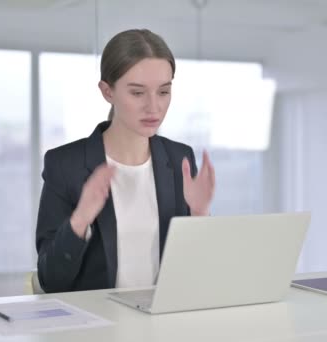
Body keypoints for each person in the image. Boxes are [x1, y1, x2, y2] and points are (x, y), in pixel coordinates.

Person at [35, 29, 216, 293]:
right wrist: (81, 218)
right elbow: (50, 280)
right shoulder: (65, 165)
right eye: (137, 93)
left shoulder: (180, 160)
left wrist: (200, 215)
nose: (153, 107)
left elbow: (198, 275)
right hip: (99, 328)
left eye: (163, 92)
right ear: (107, 91)